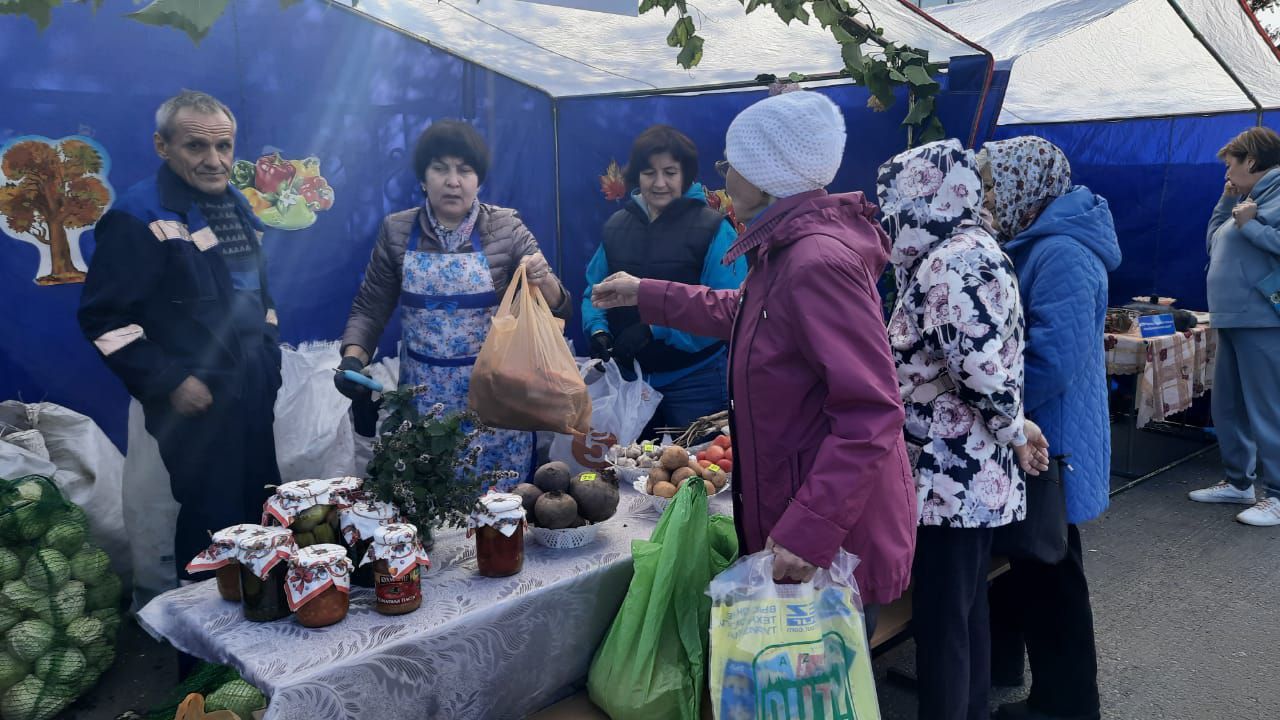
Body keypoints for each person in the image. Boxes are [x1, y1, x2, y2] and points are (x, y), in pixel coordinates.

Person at [592, 90, 917, 633]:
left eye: (730, 165)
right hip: (810, 520)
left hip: (832, 542)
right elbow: (741, 310)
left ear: (767, 174)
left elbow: (872, 412)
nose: (723, 179)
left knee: (824, 695)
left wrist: (808, 529)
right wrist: (643, 292)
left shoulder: (815, 261)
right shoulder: (788, 250)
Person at [876, 139, 1048, 720]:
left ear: (923, 195)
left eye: (894, 199)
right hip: (967, 469)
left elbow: (976, 366)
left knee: (944, 618)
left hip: (950, 471)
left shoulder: (951, 259)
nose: (888, 216)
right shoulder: (970, 247)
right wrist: (1014, 427)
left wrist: (1014, 430)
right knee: (965, 608)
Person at [78, 90, 282, 581]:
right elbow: (103, 320)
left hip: (251, 390)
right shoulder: (138, 216)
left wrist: (269, 359)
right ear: (162, 147)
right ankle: (205, 654)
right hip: (197, 402)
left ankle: (264, 639)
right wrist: (171, 382)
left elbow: (261, 298)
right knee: (214, 527)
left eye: (225, 147)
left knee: (264, 514)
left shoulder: (237, 208)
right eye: (196, 147)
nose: (215, 161)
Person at [336, 120, 570, 488]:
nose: (453, 180)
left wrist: (544, 280)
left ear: (478, 179)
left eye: (464, 170)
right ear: (423, 177)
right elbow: (370, 307)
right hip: (424, 405)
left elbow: (560, 307)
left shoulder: (507, 228)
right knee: (431, 506)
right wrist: (353, 357)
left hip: (497, 405)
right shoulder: (396, 231)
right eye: (440, 168)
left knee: (499, 515)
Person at [978, 136, 1119, 720]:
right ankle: (1001, 666)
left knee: (1052, 570)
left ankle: (1068, 704)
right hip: (1035, 430)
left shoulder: (1061, 251)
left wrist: (994, 406)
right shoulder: (1037, 239)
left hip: (1050, 436)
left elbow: (1052, 359)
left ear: (1022, 186)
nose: (982, 196)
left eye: (990, 184)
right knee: (1020, 560)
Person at [581, 125, 746, 432]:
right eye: (649, 173)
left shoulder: (714, 228)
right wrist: (598, 329)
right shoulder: (617, 225)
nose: (659, 183)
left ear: (686, 175)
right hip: (631, 381)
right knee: (629, 470)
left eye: (670, 172)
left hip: (696, 381)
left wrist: (655, 330)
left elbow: (729, 309)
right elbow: (595, 289)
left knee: (703, 471)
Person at [1189, 127, 1280, 526]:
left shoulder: (1274, 195)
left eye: (1231, 164)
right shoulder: (1247, 200)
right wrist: (1228, 205)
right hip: (1233, 318)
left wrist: (1251, 224)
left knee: (1267, 408)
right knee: (1229, 405)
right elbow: (1214, 242)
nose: (1227, 171)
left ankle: (1278, 494)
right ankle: (1239, 482)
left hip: (1261, 319)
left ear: (1253, 160)